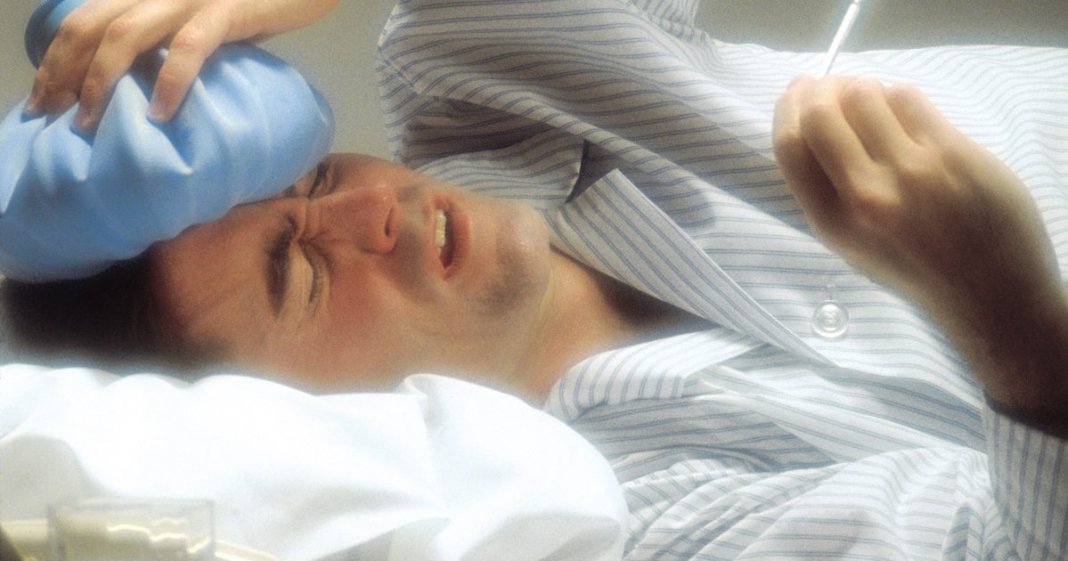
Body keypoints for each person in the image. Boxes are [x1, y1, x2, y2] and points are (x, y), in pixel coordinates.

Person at [4, 0, 1066, 559]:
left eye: (316, 177)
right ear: (300, 424)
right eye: (300, 272)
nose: (372, 210)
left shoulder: (477, 60)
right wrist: (1009, 317)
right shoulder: (636, 522)